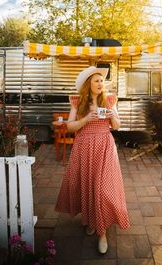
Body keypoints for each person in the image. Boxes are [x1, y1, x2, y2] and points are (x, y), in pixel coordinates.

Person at [55, 66, 130, 254]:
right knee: (88, 185)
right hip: (84, 147)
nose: (100, 83)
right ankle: (91, 219)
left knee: (102, 188)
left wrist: (113, 115)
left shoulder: (110, 99)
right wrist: (87, 118)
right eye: (96, 80)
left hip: (104, 146)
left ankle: (102, 233)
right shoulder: (78, 101)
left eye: (101, 81)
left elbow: (117, 126)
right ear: (88, 83)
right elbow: (70, 127)